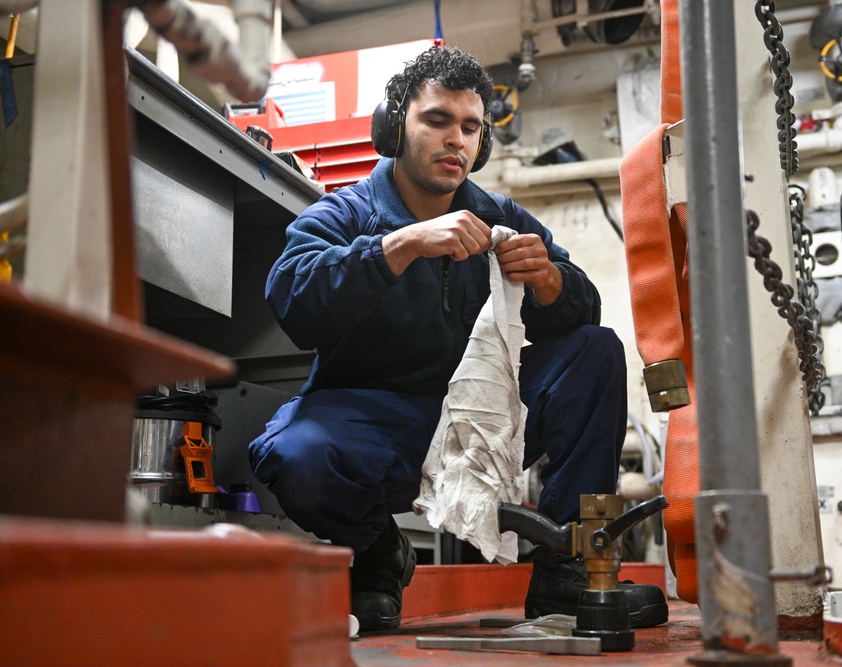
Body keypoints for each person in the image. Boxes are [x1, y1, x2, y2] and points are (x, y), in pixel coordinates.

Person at [248, 45, 667, 632]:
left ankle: (565, 572)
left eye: (471, 128)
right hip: (377, 423)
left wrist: (549, 279)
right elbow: (292, 295)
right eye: (437, 120)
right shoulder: (347, 211)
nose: (457, 140)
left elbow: (582, 308)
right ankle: (377, 555)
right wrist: (404, 243)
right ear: (396, 127)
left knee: (596, 350)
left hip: (481, 418)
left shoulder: (501, 214)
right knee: (297, 457)